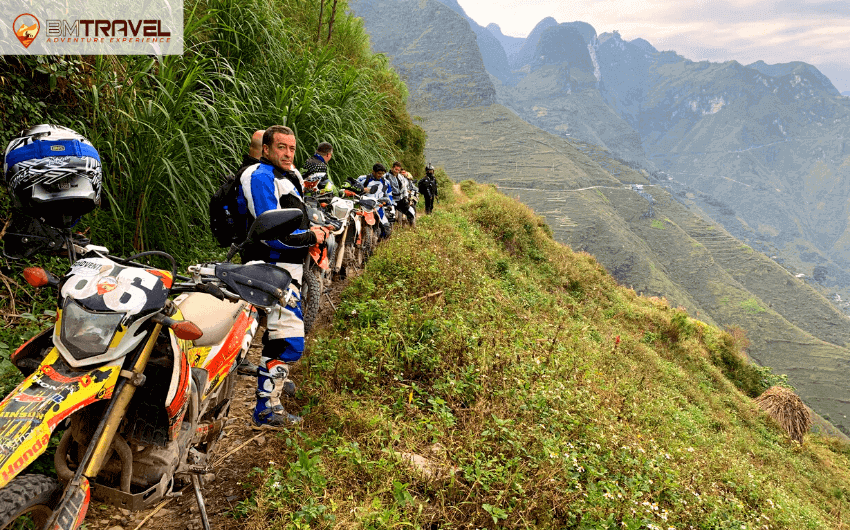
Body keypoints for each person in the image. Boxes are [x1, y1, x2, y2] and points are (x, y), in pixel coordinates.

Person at [237, 125, 330, 427]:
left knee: (277, 337)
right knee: (290, 342)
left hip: (289, 267)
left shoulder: (289, 175)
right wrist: (310, 237)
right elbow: (271, 234)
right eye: (281, 147)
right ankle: (266, 409)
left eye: (291, 148)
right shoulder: (260, 176)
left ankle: (272, 385)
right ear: (266, 149)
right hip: (271, 267)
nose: (288, 153)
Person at [361, 163, 394, 239]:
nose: (381, 175)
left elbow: (389, 194)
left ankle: (379, 244)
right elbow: (355, 188)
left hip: (378, 207)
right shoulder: (364, 179)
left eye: (382, 173)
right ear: (373, 172)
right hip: (365, 207)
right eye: (379, 173)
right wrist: (363, 190)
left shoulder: (386, 182)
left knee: (386, 230)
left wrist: (389, 203)